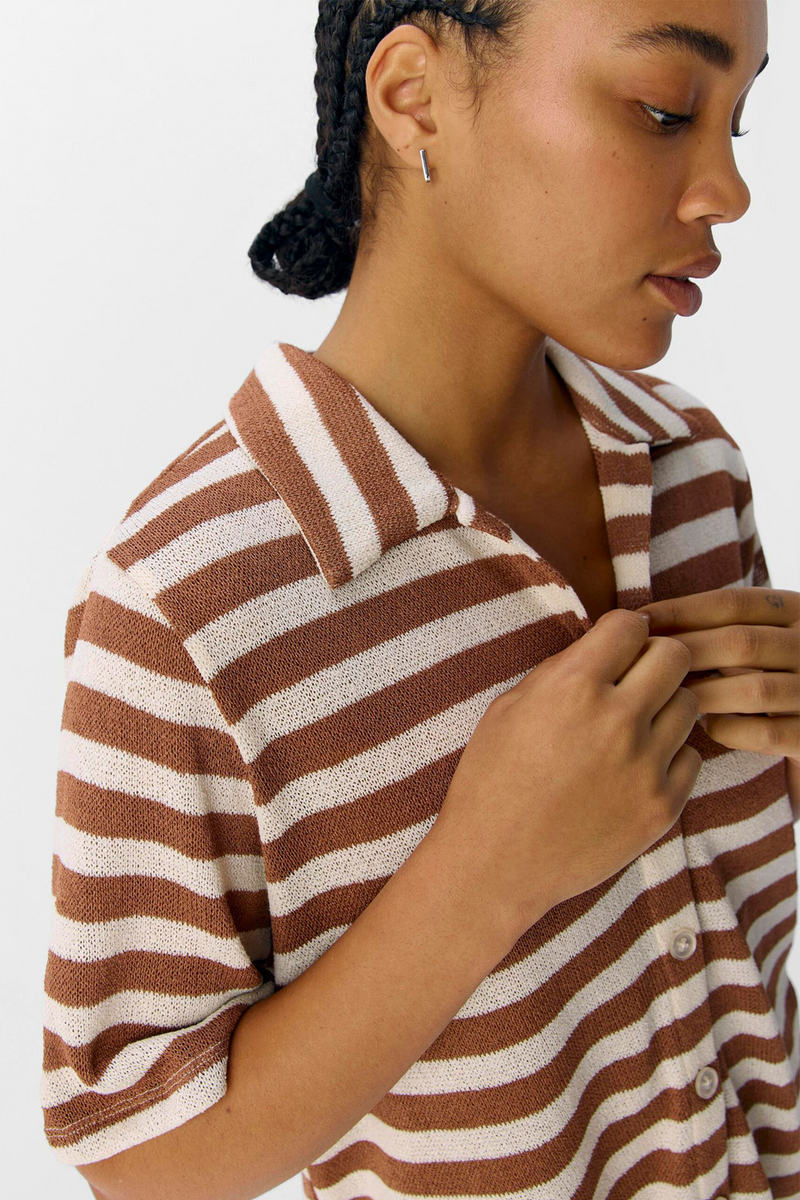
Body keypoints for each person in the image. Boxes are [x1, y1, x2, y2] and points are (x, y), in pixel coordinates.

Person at [42, 1, 800, 1198]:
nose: (727, 191)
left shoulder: (690, 469)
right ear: (412, 96)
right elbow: (139, 1161)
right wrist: (485, 870)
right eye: (663, 111)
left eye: (735, 124)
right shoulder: (183, 602)